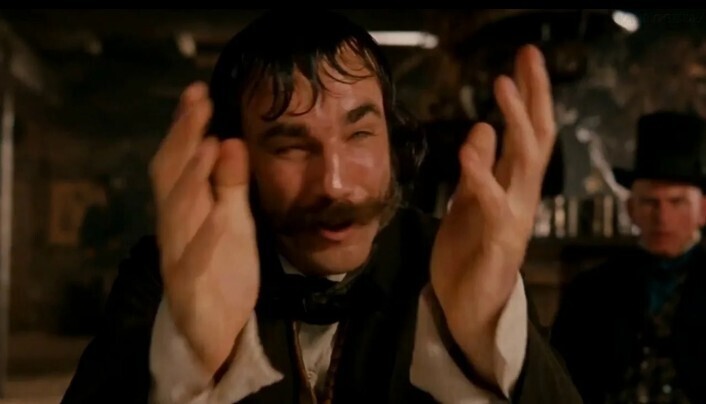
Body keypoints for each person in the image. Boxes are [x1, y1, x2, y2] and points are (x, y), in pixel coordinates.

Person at [61, 10, 580, 403]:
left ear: (394, 143)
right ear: (236, 156)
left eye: (360, 134)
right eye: (290, 146)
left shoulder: (463, 260)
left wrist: (486, 344)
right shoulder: (175, 275)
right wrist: (189, 369)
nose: (334, 184)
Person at [550, 111, 706, 404]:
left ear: (703, 211)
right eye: (650, 203)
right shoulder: (590, 290)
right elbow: (559, 381)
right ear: (631, 210)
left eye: (677, 202)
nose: (663, 217)